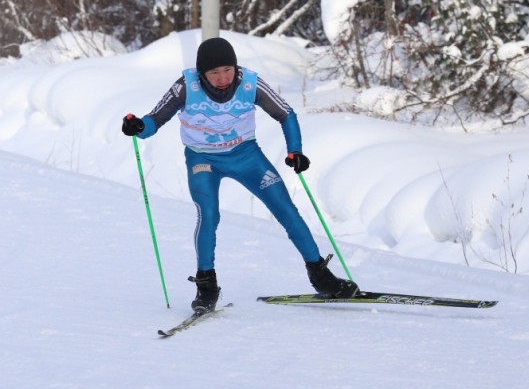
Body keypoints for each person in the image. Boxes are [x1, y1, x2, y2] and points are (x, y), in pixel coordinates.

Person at [122, 36, 359, 313]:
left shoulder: (250, 83)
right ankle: (206, 285)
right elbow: (154, 120)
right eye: (214, 73)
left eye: (228, 70)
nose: (223, 78)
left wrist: (295, 150)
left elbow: (286, 114)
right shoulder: (186, 86)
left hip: (246, 155)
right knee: (209, 215)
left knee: (286, 210)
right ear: (202, 74)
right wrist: (138, 126)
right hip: (203, 159)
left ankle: (321, 276)